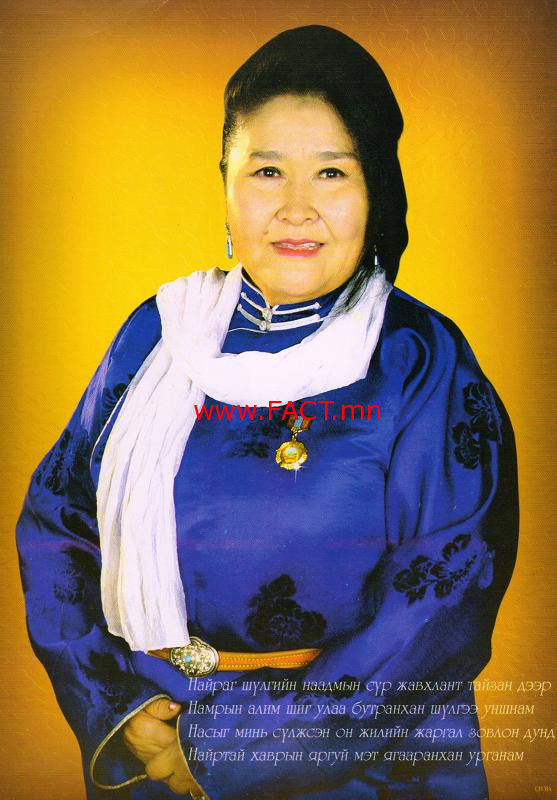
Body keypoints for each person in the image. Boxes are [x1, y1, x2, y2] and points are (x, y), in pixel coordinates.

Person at [15, 24, 518, 800]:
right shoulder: (158, 334)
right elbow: (57, 523)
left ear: (376, 190)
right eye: (266, 171)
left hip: (358, 763)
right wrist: (124, 708)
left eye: (331, 173)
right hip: (152, 741)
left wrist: (224, 746)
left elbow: (442, 605)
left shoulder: (420, 359)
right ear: (225, 184)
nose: (295, 208)